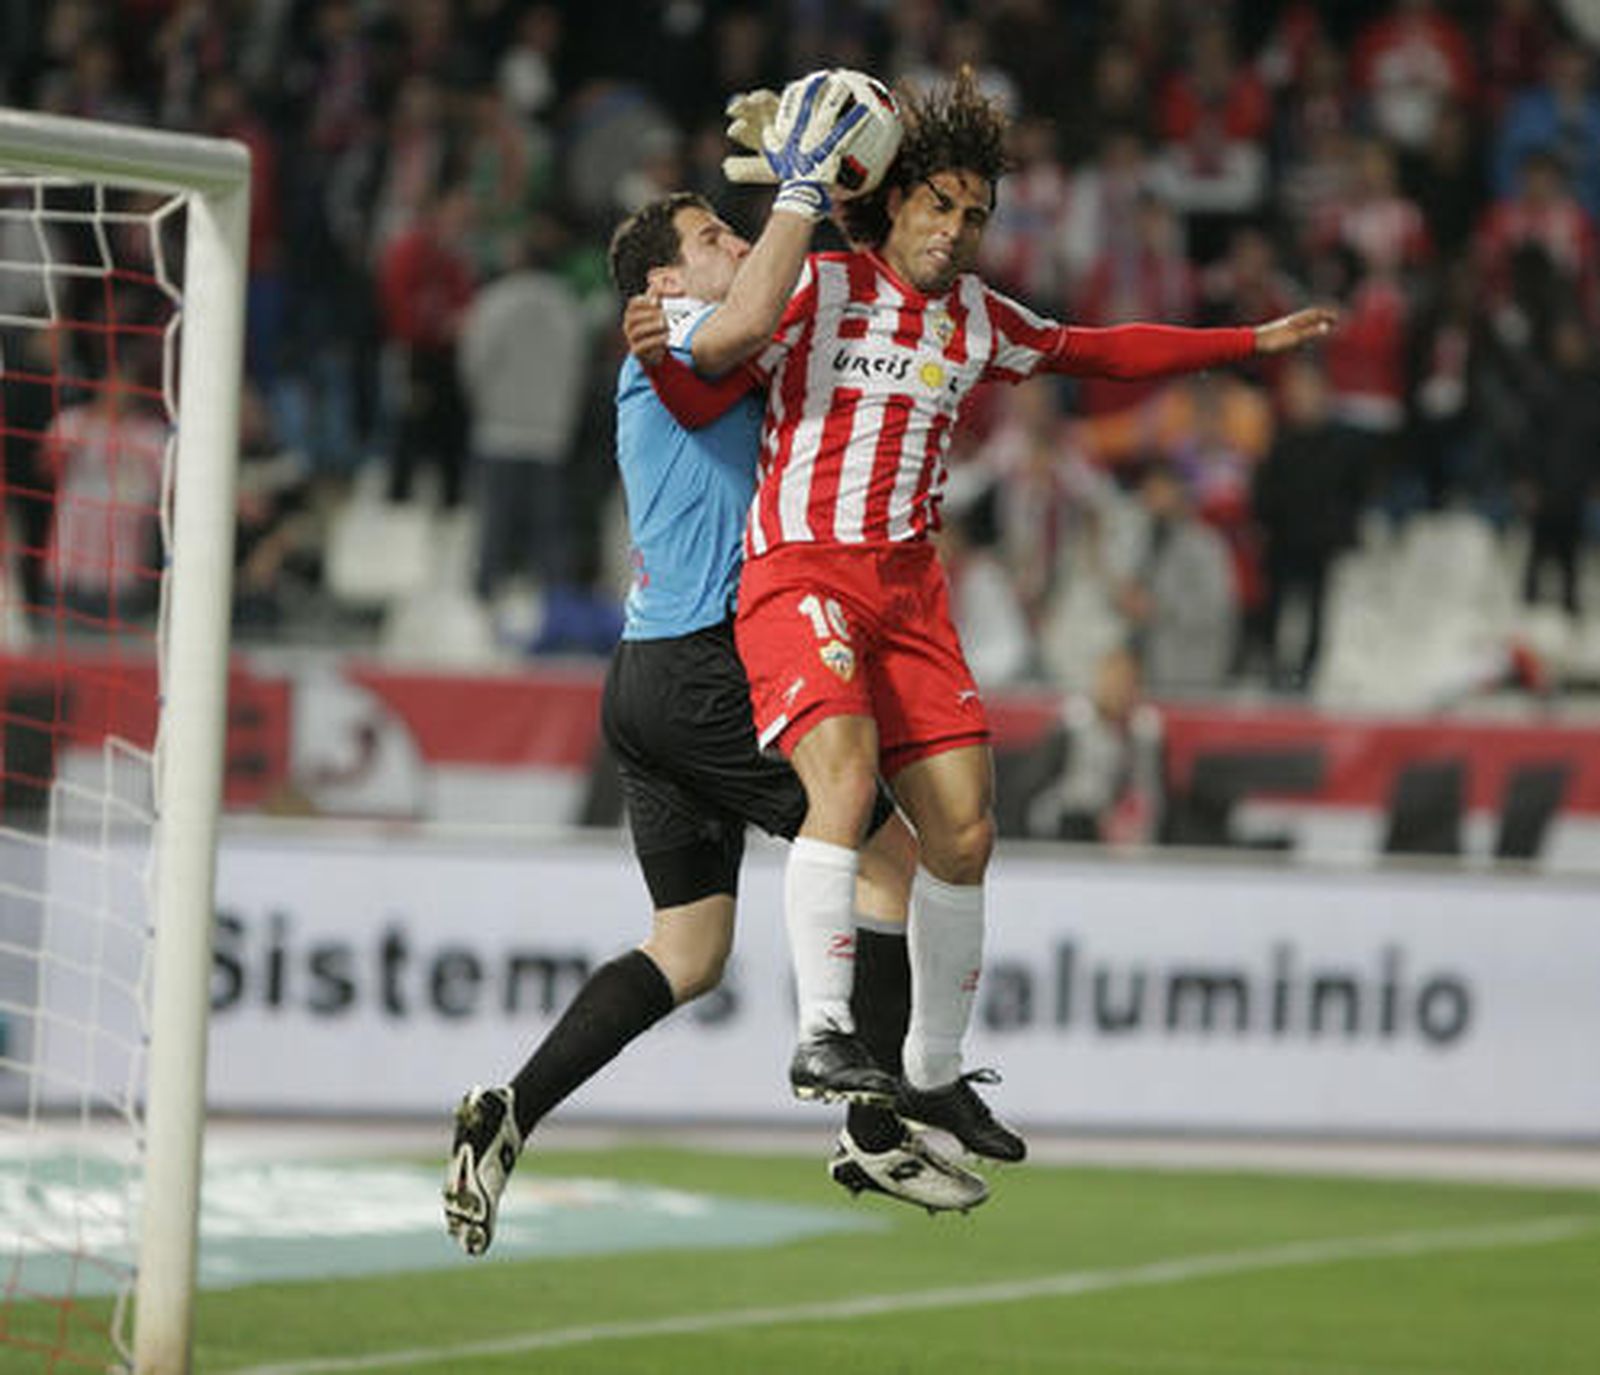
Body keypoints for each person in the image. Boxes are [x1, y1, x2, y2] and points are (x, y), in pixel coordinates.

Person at [636, 67, 1337, 1164]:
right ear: (893, 201)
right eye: (938, 206)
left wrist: (1244, 343)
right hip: (802, 572)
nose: (957, 230)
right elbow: (704, 368)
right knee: (844, 780)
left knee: (964, 830)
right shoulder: (815, 288)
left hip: (911, 591)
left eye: (975, 214)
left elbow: (1105, 349)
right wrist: (657, 337)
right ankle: (821, 1032)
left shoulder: (979, 323)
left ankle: (929, 1070)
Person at [442, 179, 987, 1261]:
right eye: (709, 237)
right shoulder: (684, 346)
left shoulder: (699, 352)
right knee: (887, 857)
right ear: (662, 282)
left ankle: (511, 1107)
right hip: (703, 666)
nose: (734, 245)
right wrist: (800, 186)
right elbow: (759, 313)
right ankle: (874, 1124)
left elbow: (787, 323)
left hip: (646, 678)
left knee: (688, 953)